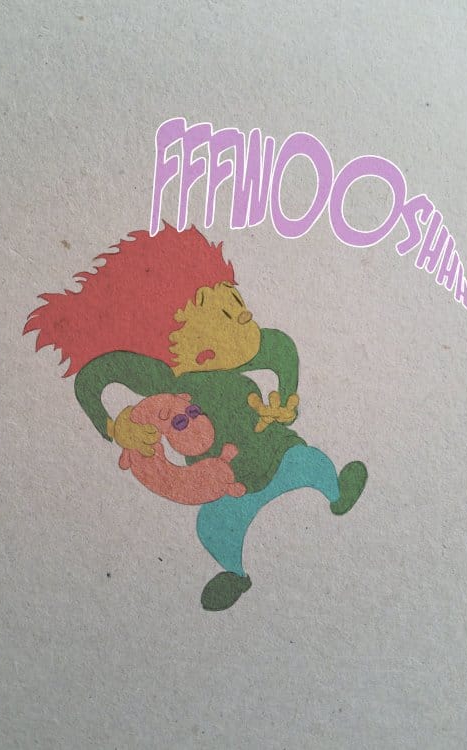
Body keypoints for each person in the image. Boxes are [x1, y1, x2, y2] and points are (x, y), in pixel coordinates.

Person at [24, 223, 367, 610]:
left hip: (279, 452)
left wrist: (286, 399)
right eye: (224, 312)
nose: (244, 315)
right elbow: (93, 378)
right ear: (171, 339)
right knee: (213, 527)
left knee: (310, 462)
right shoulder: (164, 376)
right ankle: (235, 574)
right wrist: (114, 426)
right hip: (223, 482)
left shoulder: (240, 352)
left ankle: (337, 492)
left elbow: (281, 349)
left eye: (235, 300)